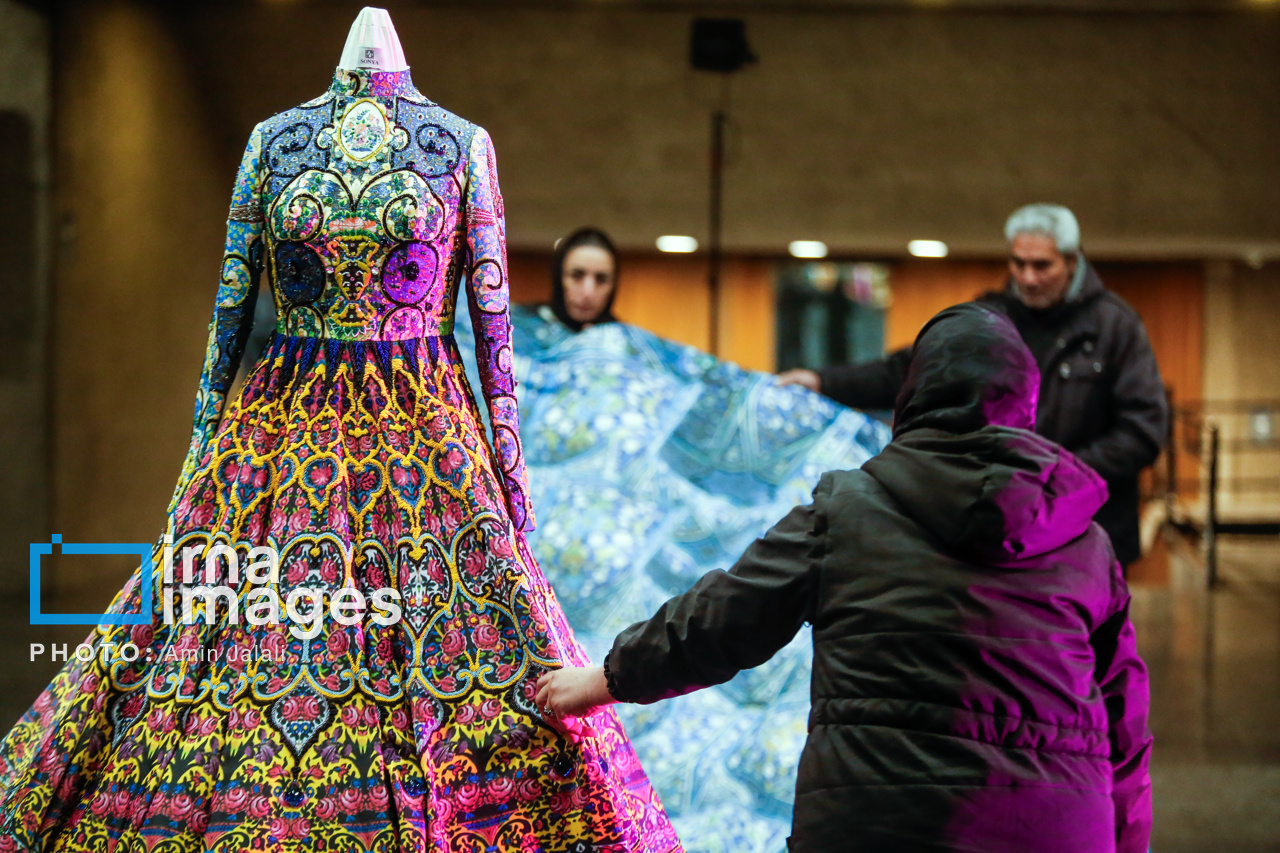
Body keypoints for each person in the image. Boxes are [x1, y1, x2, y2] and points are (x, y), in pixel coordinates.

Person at [0, 66, 681, 852]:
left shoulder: (462, 146)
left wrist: (510, 482)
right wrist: (197, 459)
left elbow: (493, 328)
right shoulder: (273, 140)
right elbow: (229, 312)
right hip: (280, 435)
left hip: (423, 439)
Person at [538, 303, 1154, 853]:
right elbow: (1126, 728)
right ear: (1026, 404)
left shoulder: (848, 509)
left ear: (914, 394)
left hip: (872, 825)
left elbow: (721, 619)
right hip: (1056, 829)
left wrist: (602, 681)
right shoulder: (1087, 544)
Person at [453, 227, 892, 850]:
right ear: (558, 276)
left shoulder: (634, 357)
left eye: (600, 279)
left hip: (613, 546)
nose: (586, 290)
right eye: (576, 275)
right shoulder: (513, 342)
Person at [778, 204, 1167, 568]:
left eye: (1041, 265)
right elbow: (910, 369)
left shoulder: (1117, 327)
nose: (1028, 278)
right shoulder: (989, 316)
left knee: (1084, 640)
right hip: (1000, 525)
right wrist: (821, 382)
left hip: (1086, 533)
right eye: (1019, 263)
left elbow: (1143, 430)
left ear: (1071, 261)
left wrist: (1057, 474)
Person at [550, 226, 621, 330]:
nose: (588, 293)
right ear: (559, 278)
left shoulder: (626, 341)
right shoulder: (525, 331)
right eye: (576, 276)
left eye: (601, 279)